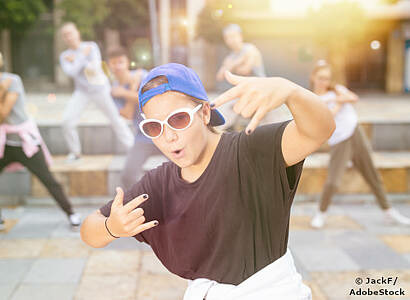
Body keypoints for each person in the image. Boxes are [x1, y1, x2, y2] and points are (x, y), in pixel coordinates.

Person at [81, 63, 336, 299]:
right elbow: (90, 229)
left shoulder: (250, 151)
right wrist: (111, 228)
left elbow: (319, 130)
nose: (168, 136)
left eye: (178, 118)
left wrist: (290, 91)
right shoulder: (159, 185)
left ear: (204, 112)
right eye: (154, 128)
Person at [0, 46, 81, 234]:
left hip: (26, 142)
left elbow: (3, 112)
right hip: (4, 142)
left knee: (48, 180)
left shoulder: (12, 80)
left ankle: (71, 213)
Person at [310, 60, 410, 228]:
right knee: (333, 181)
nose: (324, 81)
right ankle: (321, 212)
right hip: (339, 140)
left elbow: (353, 97)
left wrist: (339, 99)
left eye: (327, 78)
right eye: (320, 77)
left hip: (356, 132)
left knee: (372, 175)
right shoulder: (314, 99)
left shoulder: (337, 90)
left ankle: (388, 211)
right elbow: (328, 117)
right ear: (313, 77)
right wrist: (339, 102)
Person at [59, 22, 134, 162]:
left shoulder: (91, 47)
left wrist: (77, 59)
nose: (68, 37)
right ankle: (75, 153)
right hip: (81, 92)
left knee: (116, 120)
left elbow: (95, 69)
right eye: (65, 35)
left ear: (77, 33)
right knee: (67, 121)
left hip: (101, 90)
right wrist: (82, 57)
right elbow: (72, 72)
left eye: (70, 33)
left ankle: (131, 148)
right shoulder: (64, 55)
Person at [106, 47, 162, 190]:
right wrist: (131, 89)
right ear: (109, 66)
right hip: (143, 137)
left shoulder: (143, 76)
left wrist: (125, 92)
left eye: (120, 62)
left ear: (127, 63)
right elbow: (127, 114)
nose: (117, 66)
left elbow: (153, 100)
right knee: (128, 176)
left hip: (165, 130)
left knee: (185, 168)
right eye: (113, 63)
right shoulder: (114, 89)